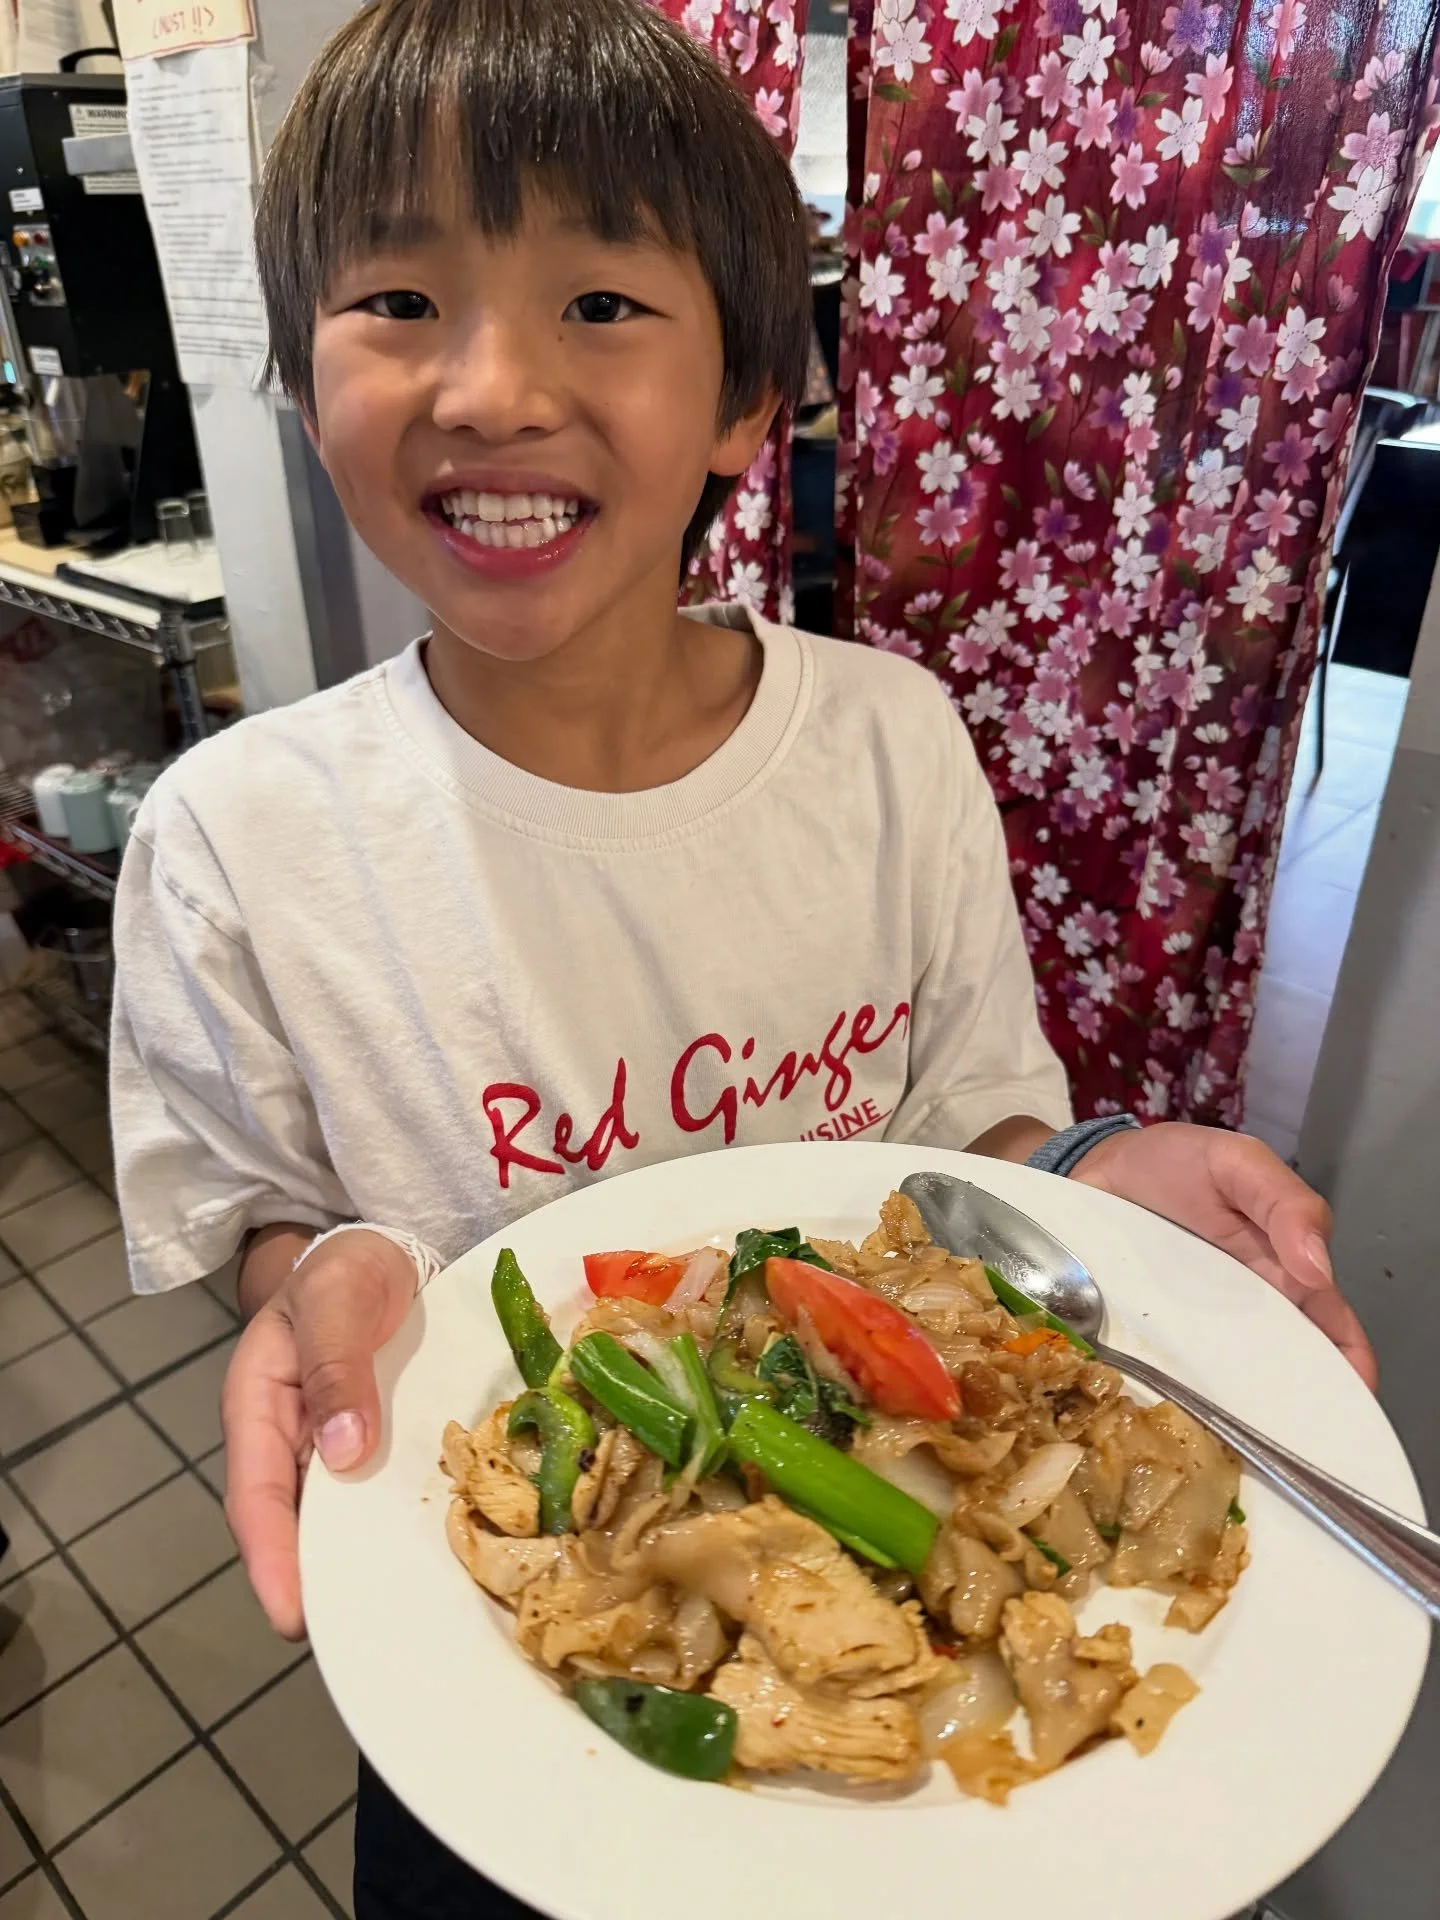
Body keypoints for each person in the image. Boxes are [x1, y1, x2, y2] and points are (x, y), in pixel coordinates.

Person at [108, 1, 1374, 1914]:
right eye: (398, 300)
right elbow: (260, 1217)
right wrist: (328, 1273)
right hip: (509, 1713)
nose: (492, 385)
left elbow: (980, 1140)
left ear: (745, 398)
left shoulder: (887, 741)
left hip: (924, 1756)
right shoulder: (235, 836)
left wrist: (1100, 1168)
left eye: (601, 301)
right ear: (301, 378)